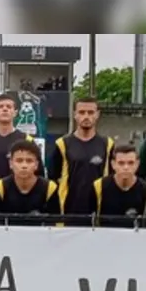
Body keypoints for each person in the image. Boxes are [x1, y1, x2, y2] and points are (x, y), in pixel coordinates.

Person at [46, 96, 114, 226]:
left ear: (97, 115)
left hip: (98, 215)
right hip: (68, 214)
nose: (86, 116)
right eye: (82, 112)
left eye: (90, 112)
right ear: (75, 115)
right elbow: (52, 181)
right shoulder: (62, 144)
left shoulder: (107, 144)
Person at [0, 139, 61, 226]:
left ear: (36, 165)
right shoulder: (0, 187)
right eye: (19, 160)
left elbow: (55, 224)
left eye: (29, 161)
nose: (24, 166)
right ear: (11, 164)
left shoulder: (50, 188)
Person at [88, 144, 146, 228]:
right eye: (121, 163)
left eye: (130, 163)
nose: (126, 167)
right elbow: (88, 221)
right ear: (113, 164)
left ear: (137, 164)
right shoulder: (98, 187)